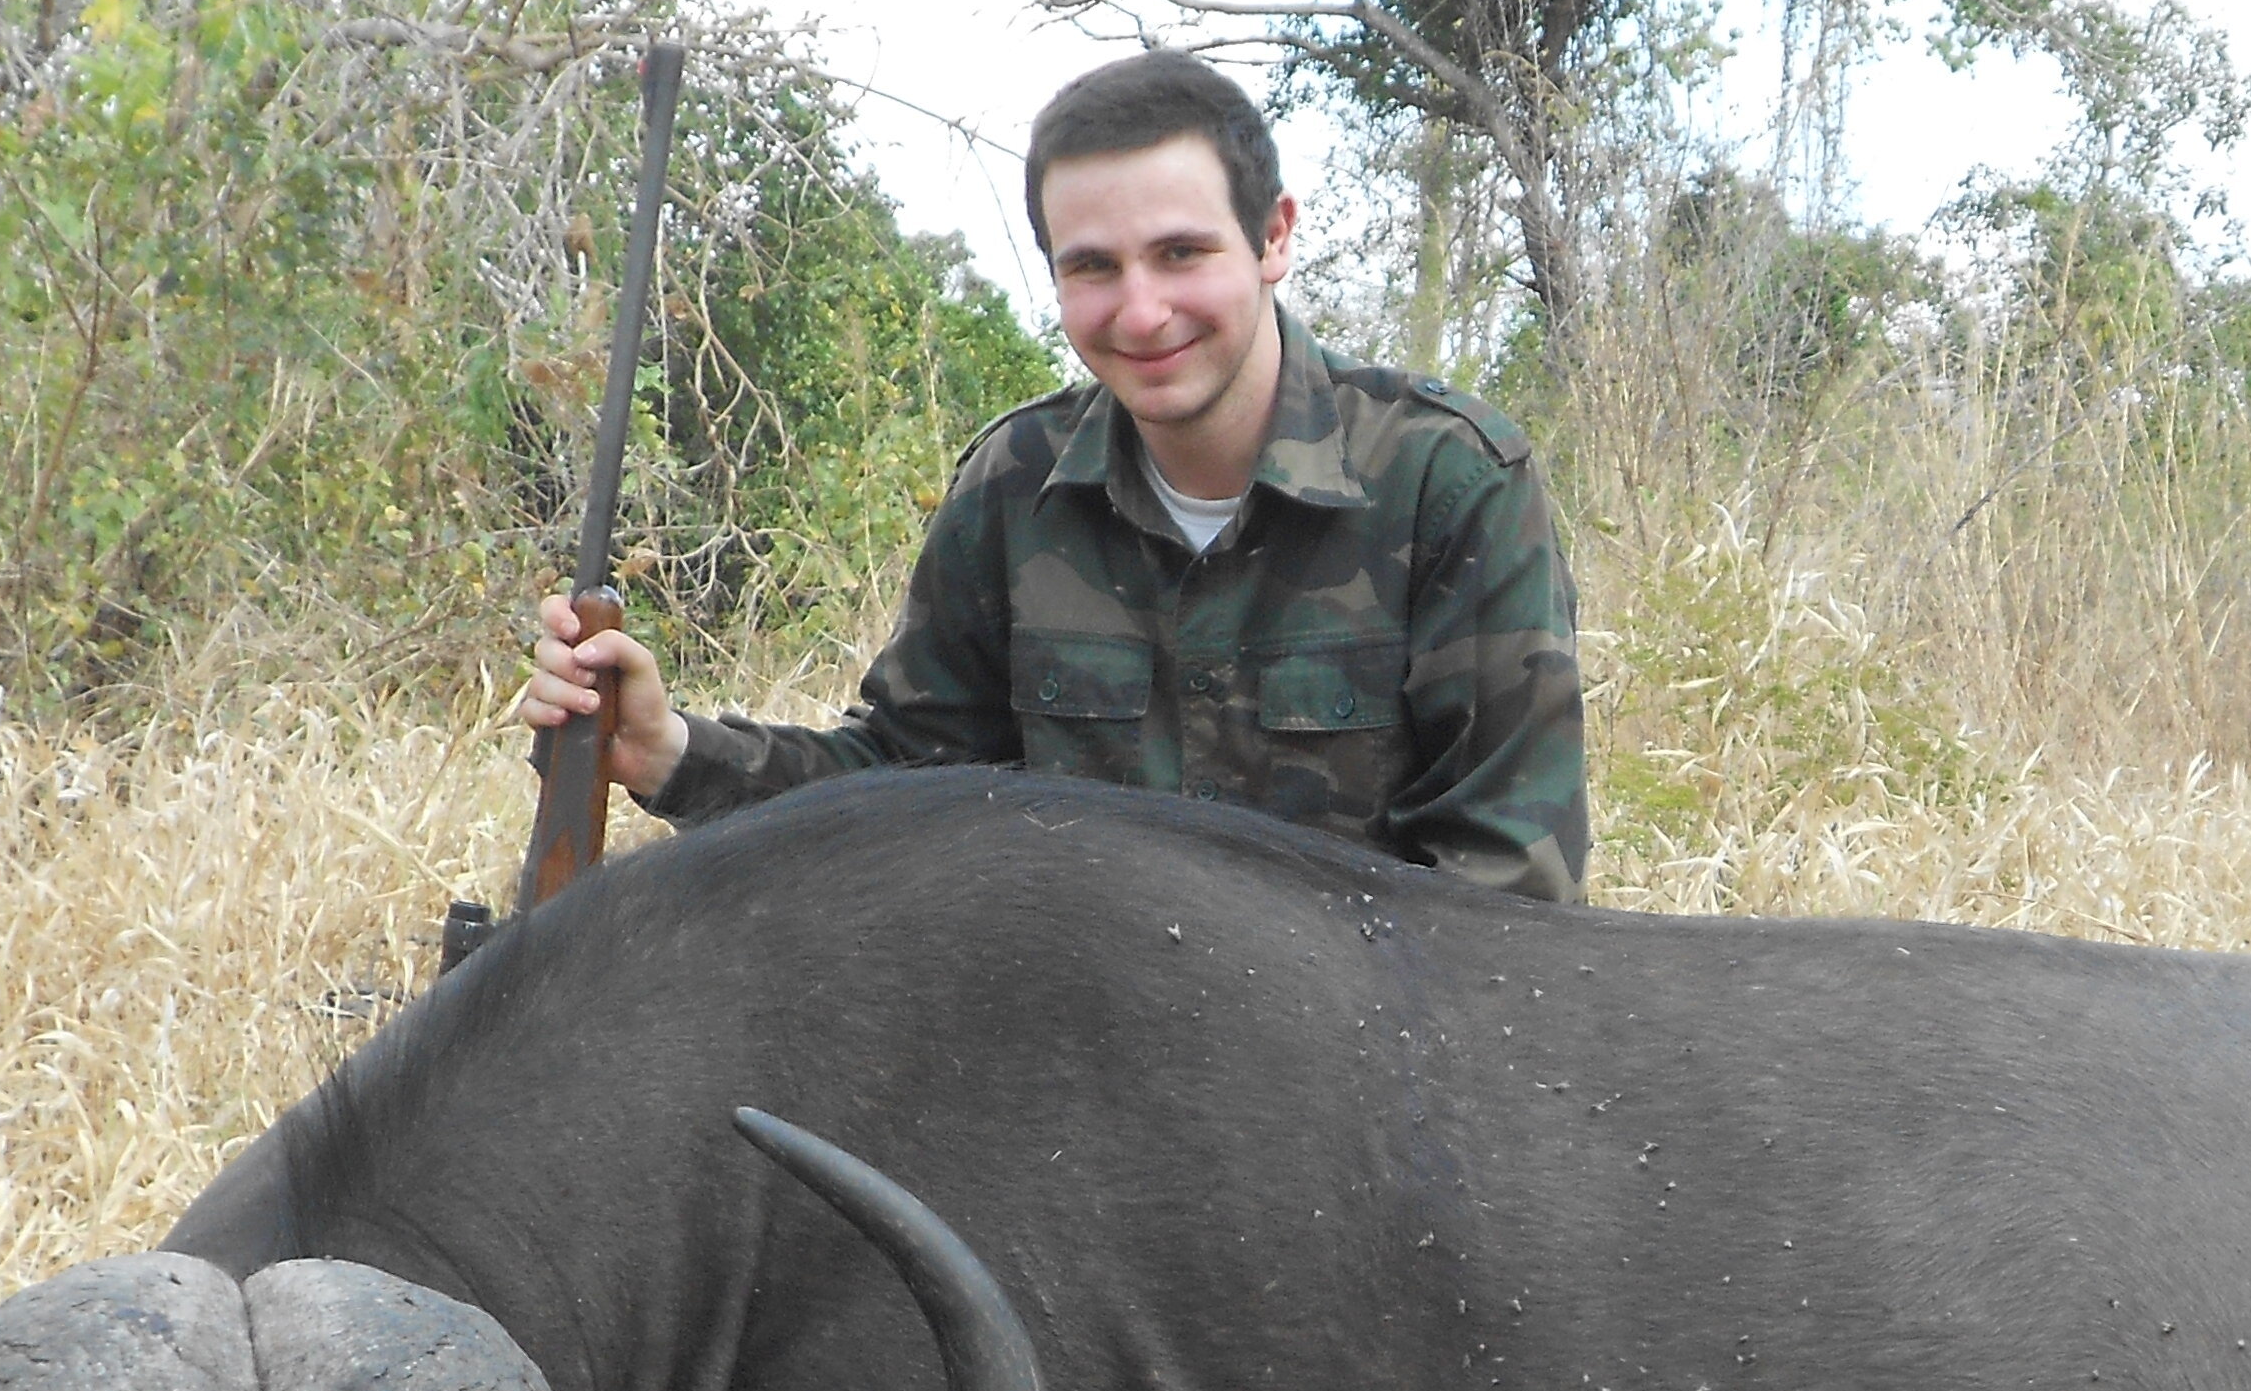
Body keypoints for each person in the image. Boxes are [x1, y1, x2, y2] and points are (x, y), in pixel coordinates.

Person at [514, 52, 1586, 903]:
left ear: (1273, 239)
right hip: (1061, 1081)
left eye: (1181, 254)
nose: (1140, 312)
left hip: (1365, 1092)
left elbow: (1504, 895)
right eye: (1093, 268)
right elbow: (902, 792)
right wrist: (667, 751)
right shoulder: (1011, 486)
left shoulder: (1453, 481)